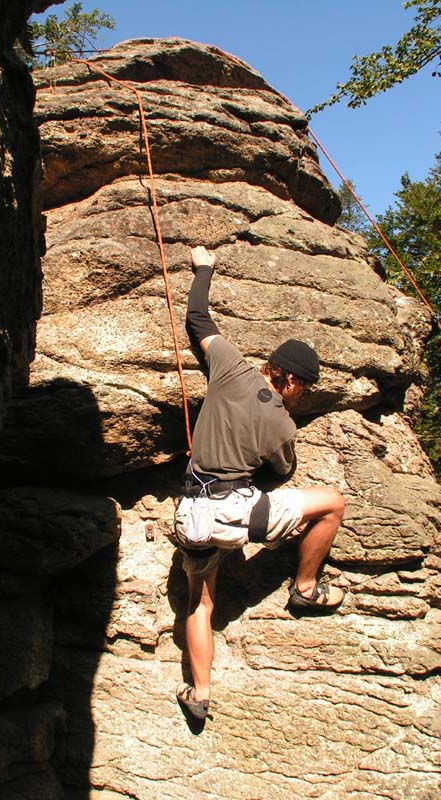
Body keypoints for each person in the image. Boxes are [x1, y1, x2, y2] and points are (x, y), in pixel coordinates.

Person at [173, 245, 345, 720]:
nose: (302, 396)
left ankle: (200, 694)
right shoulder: (282, 424)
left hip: (191, 514)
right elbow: (282, 472)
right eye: (304, 387)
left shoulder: (228, 365)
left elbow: (197, 320)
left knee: (199, 603)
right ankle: (305, 588)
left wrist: (204, 267)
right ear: (288, 379)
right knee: (331, 503)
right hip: (237, 515)